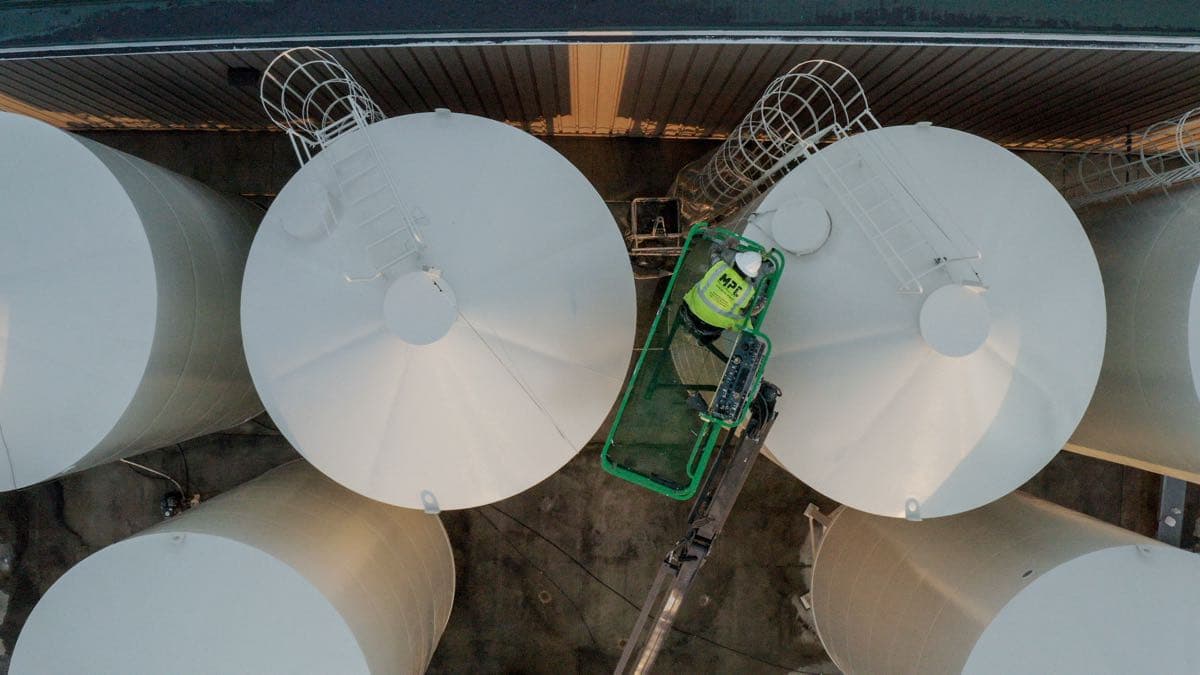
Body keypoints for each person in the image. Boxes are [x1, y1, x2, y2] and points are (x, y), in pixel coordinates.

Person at [681, 248, 764, 344]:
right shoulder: (748, 291)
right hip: (710, 328)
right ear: (750, 275)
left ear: (736, 261)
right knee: (740, 318)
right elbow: (748, 311)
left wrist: (727, 245)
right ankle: (704, 341)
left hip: (688, 311)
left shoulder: (719, 266)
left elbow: (714, 253)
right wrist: (761, 304)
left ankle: (684, 326)